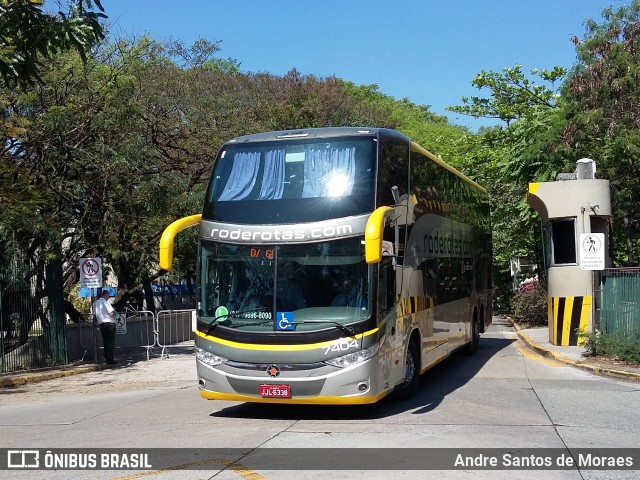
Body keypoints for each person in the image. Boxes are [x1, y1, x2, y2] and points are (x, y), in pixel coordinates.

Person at [92, 290, 117, 365]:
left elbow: (94, 314)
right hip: (109, 323)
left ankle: (107, 358)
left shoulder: (95, 303)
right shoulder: (106, 302)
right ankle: (110, 359)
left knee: (105, 342)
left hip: (102, 325)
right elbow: (111, 313)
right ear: (105, 295)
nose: (108, 297)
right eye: (108, 295)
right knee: (110, 343)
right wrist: (114, 310)